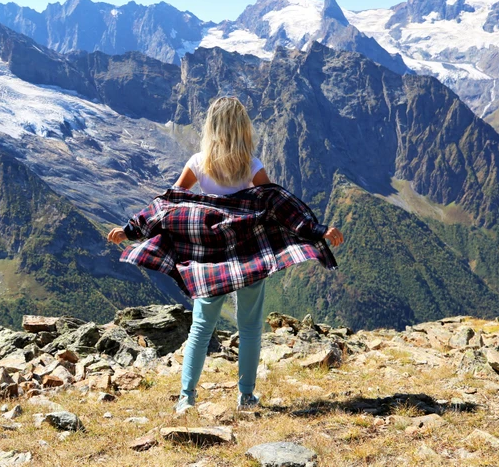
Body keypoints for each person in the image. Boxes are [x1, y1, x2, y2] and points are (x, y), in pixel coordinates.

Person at [107, 96, 343, 413]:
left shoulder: (198, 163)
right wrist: (316, 230)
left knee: (201, 328)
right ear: (243, 129)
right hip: (248, 255)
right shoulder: (252, 166)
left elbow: (167, 203)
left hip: (208, 257)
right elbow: (279, 206)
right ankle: (246, 397)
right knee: (250, 328)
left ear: (212, 128)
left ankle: (186, 399)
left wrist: (131, 230)